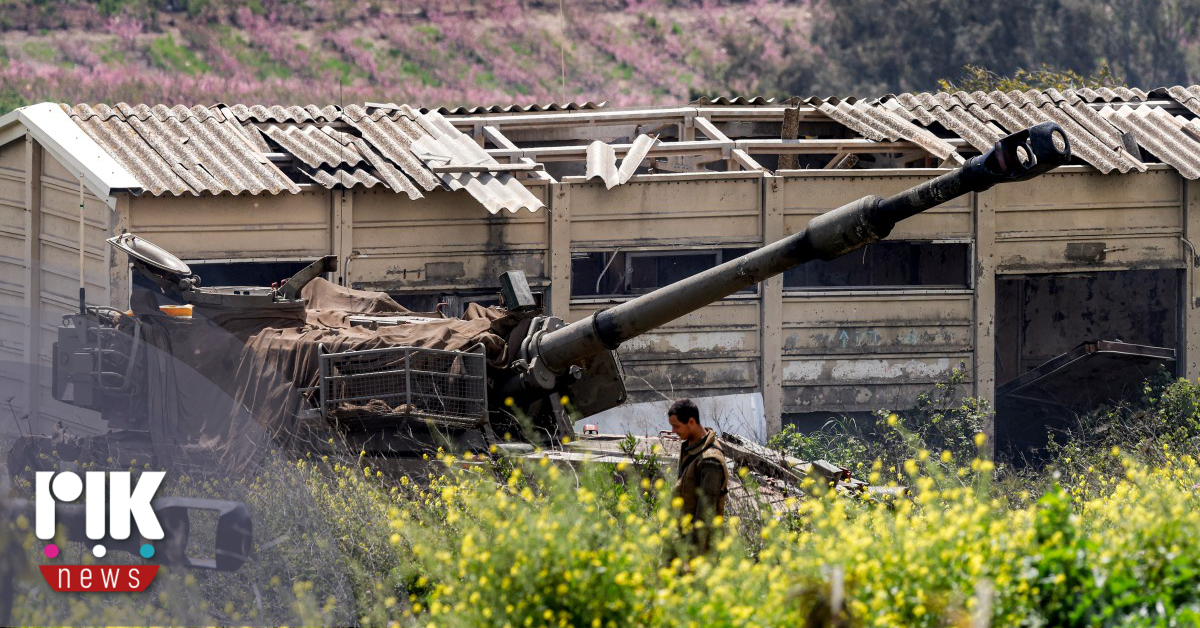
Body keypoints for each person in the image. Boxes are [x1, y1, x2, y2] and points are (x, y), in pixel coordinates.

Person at [667, 398, 730, 553]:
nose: (674, 431)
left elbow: (705, 516)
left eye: (676, 426)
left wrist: (691, 557)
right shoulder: (692, 448)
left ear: (691, 422)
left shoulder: (710, 461)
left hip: (697, 552)